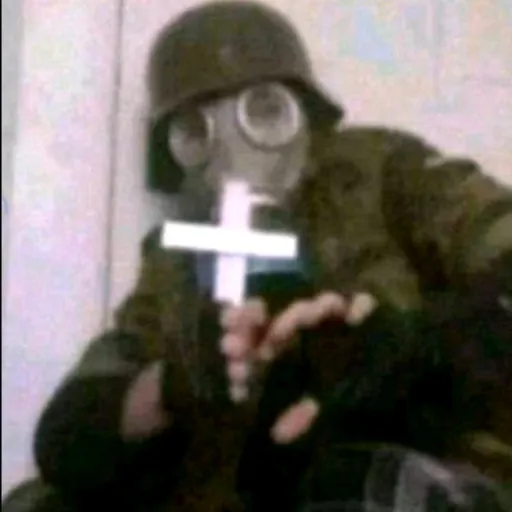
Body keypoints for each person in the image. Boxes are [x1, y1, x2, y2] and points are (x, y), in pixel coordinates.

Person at [5, 2, 511, 511]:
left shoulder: (380, 174)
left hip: (398, 469)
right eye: (197, 131)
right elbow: (69, 435)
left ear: (305, 114)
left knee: (364, 487)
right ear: (176, 151)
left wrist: (409, 349)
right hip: (242, 494)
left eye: (264, 111)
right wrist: (174, 384)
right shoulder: (176, 260)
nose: (234, 149)